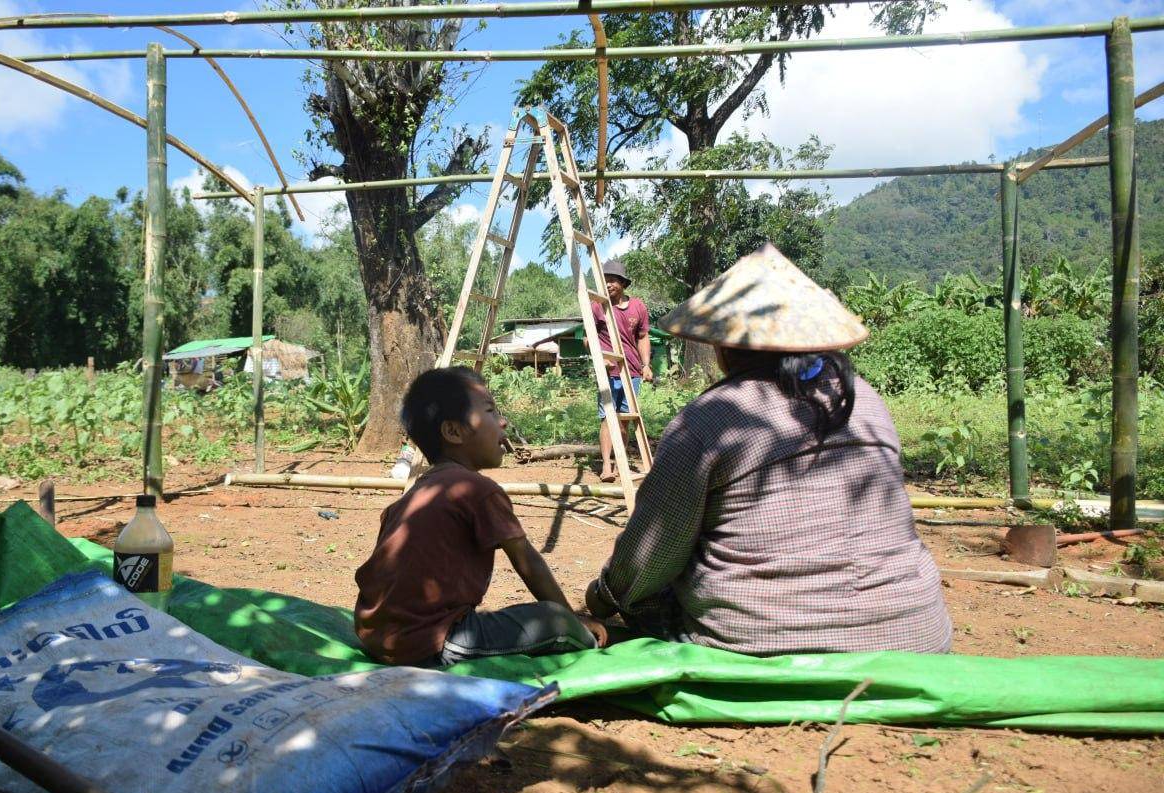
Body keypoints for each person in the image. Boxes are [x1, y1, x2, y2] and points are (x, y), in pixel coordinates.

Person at [584, 244, 952, 656]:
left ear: (723, 348)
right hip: (919, 640)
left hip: (765, 644)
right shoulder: (865, 400)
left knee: (650, 592)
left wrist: (602, 596)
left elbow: (650, 556)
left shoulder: (710, 418)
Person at [354, 367, 609, 666]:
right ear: (453, 432)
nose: (503, 421)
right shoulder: (476, 488)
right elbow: (526, 560)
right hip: (431, 641)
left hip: (377, 638)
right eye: (490, 410)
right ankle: (603, 644)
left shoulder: (419, 491)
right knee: (554, 621)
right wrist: (572, 618)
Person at [592, 259, 653, 483]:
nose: (608, 284)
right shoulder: (597, 306)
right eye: (605, 280)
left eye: (613, 280)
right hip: (608, 372)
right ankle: (606, 466)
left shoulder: (638, 307)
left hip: (632, 371)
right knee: (607, 417)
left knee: (624, 419)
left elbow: (643, 337)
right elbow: (588, 339)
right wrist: (602, 358)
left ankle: (619, 463)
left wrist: (646, 365)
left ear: (623, 284)